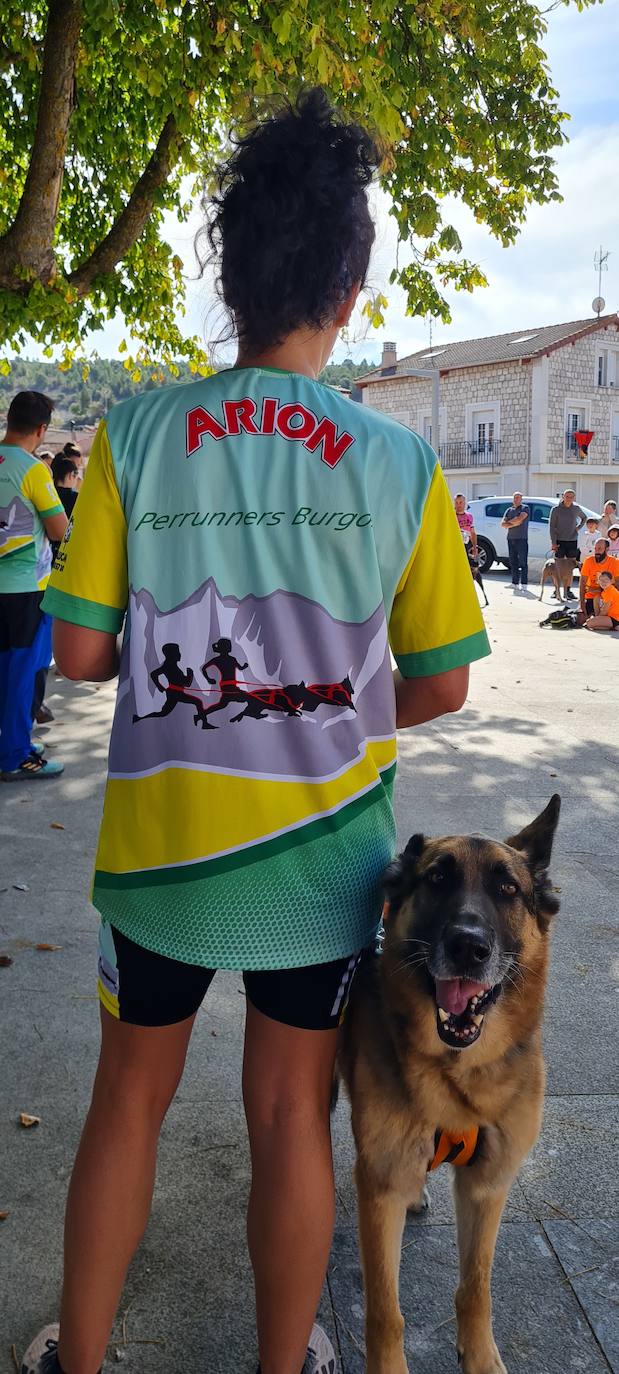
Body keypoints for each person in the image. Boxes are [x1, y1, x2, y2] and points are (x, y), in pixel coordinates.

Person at [24, 90, 490, 1374]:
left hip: (160, 860)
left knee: (128, 1102)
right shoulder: (399, 464)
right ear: (347, 289)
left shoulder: (134, 435)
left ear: (229, 280)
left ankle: (83, 1360)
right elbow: (442, 686)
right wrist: (333, 708)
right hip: (321, 860)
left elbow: (78, 656)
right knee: (290, 1117)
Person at [0, 391, 67, 780]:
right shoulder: (32, 470)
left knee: (4, 669)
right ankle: (15, 756)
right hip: (25, 590)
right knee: (23, 673)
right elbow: (60, 529)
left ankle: (13, 741)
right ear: (42, 430)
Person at [549, 490, 586, 575]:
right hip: (559, 540)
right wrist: (553, 542)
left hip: (572, 540)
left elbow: (584, 518)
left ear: (574, 498)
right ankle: (557, 587)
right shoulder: (556, 509)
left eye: (571, 497)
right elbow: (552, 527)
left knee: (570, 565)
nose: (569, 498)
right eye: (567, 496)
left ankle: (568, 587)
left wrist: (578, 527)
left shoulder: (576, 509)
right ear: (563, 497)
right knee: (558, 565)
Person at [579, 537, 618, 617]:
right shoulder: (588, 561)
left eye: (600, 548)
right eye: (595, 548)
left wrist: (599, 590)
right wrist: (582, 603)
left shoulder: (615, 562)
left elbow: (617, 584)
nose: (596, 551)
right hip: (591, 597)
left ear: (607, 549)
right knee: (580, 618)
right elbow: (582, 582)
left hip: (608, 598)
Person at [501, 491, 530, 590]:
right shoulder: (509, 510)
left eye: (518, 497)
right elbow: (503, 524)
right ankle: (514, 583)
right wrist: (513, 523)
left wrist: (509, 523)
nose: (516, 499)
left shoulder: (525, 508)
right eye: (515, 497)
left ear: (521, 499)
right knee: (513, 562)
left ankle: (524, 584)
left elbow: (520, 519)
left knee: (523, 562)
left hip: (521, 539)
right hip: (511, 538)